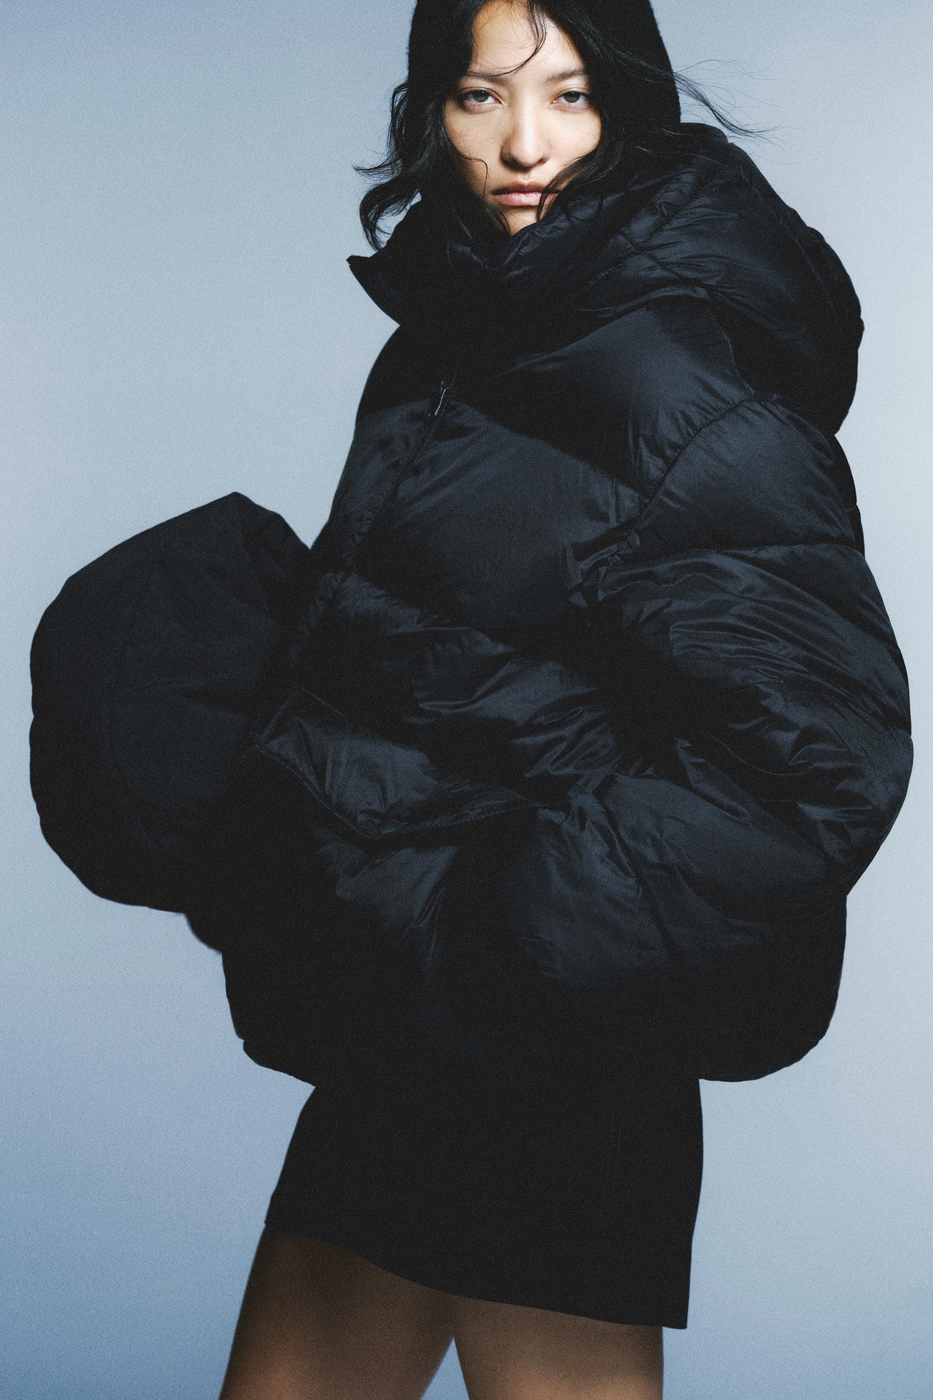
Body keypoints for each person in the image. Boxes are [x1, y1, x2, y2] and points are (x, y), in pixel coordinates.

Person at [28, 1, 911, 1397]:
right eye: (480, 96)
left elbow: (815, 759)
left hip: (557, 1050)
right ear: (429, 112)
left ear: (629, 106)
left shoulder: (678, 380)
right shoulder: (457, 337)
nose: (524, 144)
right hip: (412, 1027)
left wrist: (505, 927)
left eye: (569, 95)